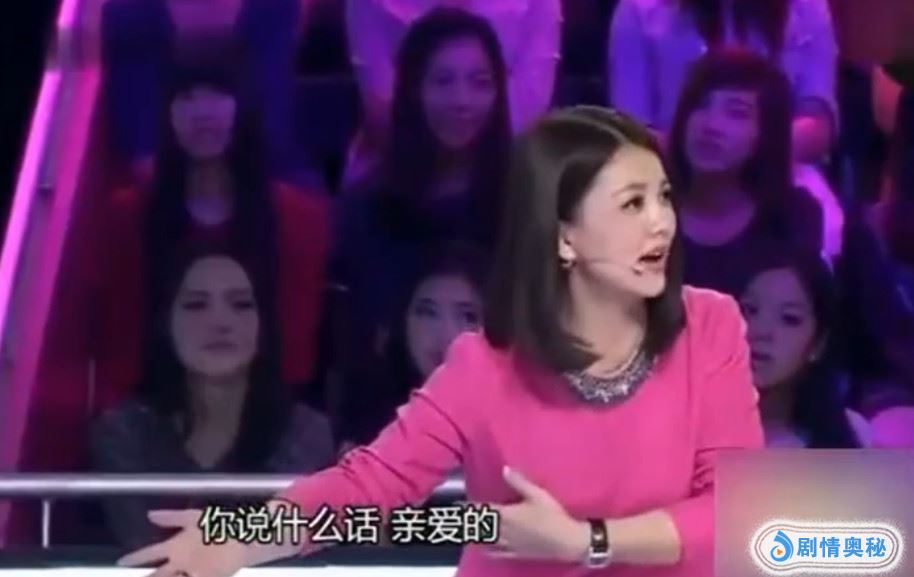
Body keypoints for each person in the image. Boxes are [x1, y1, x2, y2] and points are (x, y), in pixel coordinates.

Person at [118, 106, 764, 577]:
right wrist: (240, 532)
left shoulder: (710, 327)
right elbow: (370, 484)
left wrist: (587, 540)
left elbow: (739, 509)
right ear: (564, 236)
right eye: (632, 204)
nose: (662, 223)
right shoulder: (484, 367)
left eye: (664, 197)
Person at [92, 38, 330, 412]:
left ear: (244, 107)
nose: (202, 112)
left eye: (218, 94)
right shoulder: (128, 217)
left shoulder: (299, 219)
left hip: (265, 407)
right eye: (186, 97)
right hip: (160, 408)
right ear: (166, 115)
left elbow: (295, 360)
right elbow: (123, 352)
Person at [91, 247, 335, 548]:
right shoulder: (124, 431)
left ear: (263, 324)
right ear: (165, 322)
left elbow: (282, 541)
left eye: (241, 304)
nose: (220, 322)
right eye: (196, 305)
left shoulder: (307, 432)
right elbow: (145, 546)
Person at [331, 7, 511, 401]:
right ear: (413, 90)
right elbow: (359, 349)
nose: (462, 100)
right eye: (443, 81)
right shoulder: (368, 207)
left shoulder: (525, 202)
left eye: (480, 83)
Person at [343, 0, 559, 183]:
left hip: (506, 162)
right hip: (398, 162)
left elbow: (532, 99)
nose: (461, 101)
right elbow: (381, 104)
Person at [101, 0, 314, 185]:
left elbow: (273, 131)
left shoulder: (272, 7)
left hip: (271, 178)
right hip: (171, 192)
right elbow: (145, 155)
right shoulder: (131, 16)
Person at [668, 48, 824, 298]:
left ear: (766, 132)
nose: (711, 125)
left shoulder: (792, 219)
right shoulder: (645, 214)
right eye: (701, 106)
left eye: (736, 113)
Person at [608, 0, 837, 163]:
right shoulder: (637, 10)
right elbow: (633, 135)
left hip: (781, 182)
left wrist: (744, 153)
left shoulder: (807, 7)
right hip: (672, 183)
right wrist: (701, 160)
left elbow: (818, 127)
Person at [333, 241, 486, 449]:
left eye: (468, 316)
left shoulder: (514, 425)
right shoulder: (368, 427)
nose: (447, 335)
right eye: (428, 313)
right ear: (403, 321)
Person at [738, 251, 866, 448]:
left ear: (818, 344)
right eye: (749, 310)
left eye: (789, 318)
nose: (759, 330)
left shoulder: (851, 433)